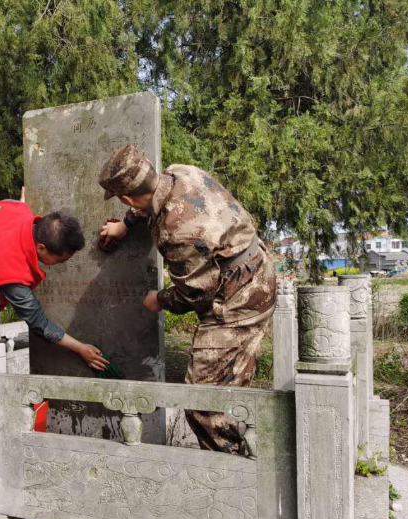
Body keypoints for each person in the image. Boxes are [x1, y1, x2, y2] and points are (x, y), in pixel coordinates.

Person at [98, 145, 276, 456]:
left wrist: (159, 300)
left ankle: (230, 468)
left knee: (203, 401)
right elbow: (151, 198)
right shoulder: (181, 171)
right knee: (227, 384)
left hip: (240, 299)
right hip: (254, 267)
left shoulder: (175, 232)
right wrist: (124, 225)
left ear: (125, 198)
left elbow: (195, 293)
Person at [0, 195, 109, 372]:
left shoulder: (14, 208)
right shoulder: (12, 272)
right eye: (60, 260)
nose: (61, 265)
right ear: (41, 248)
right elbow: (39, 322)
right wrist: (80, 348)